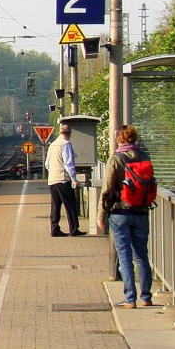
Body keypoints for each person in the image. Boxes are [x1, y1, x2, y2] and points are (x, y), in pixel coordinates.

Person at [98, 125, 153, 309]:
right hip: (141, 212)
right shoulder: (144, 157)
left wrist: (101, 214)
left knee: (124, 256)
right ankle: (146, 297)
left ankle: (130, 299)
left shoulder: (116, 159)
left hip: (120, 212)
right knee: (142, 256)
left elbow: (107, 188)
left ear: (119, 140)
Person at [44, 122, 85, 237]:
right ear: (69, 133)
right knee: (70, 204)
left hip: (52, 179)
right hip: (63, 179)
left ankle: (54, 229)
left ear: (60, 132)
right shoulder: (66, 144)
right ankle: (74, 229)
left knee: (55, 206)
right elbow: (68, 163)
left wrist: (53, 172)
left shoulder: (53, 145)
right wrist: (74, 179)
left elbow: (47, 164)